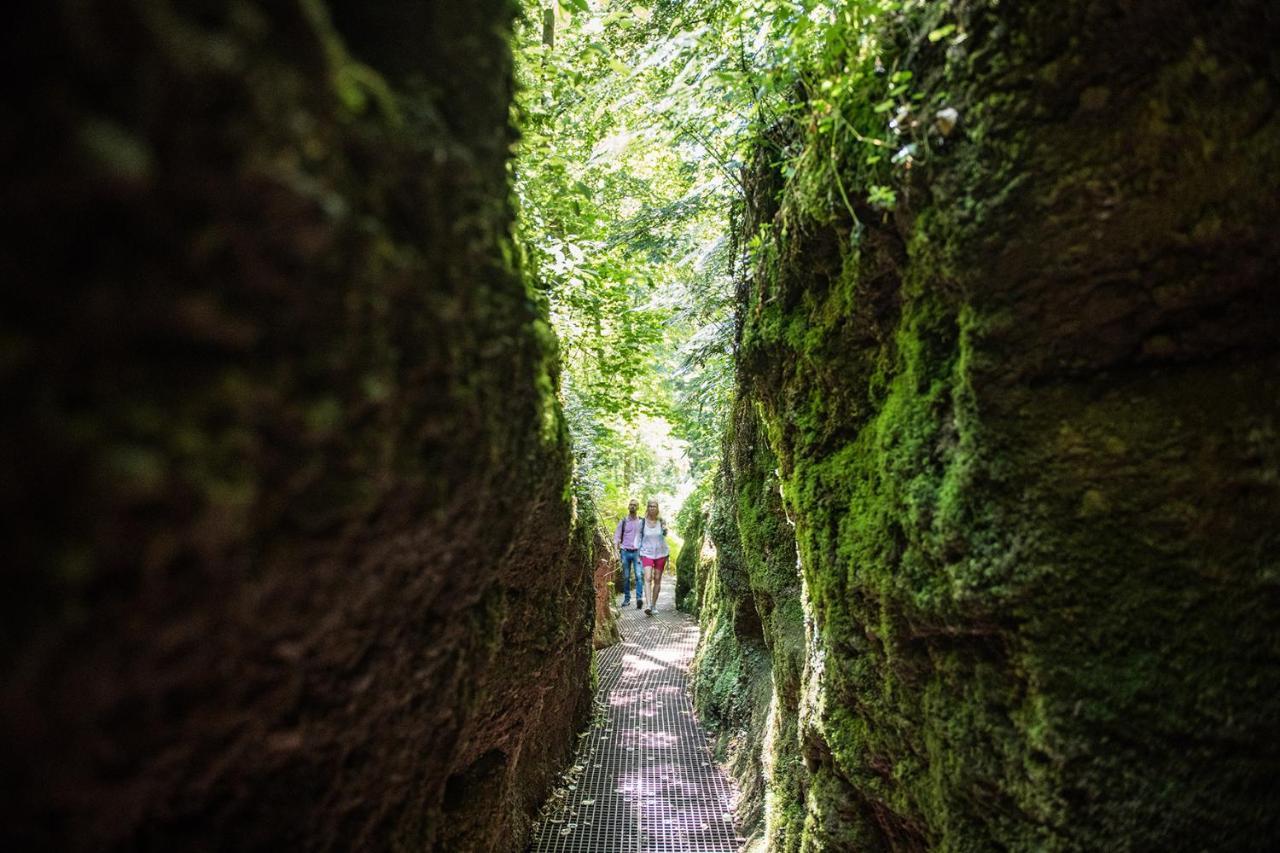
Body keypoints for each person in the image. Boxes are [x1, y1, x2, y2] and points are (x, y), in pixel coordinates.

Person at [638, 499, 670, 616]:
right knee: (647, 577)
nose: (652, 508)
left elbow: (665, 534)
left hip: (661, 553)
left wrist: (665, 529)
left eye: (654, 506)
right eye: (650, 506)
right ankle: (647, 605)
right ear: (647, 508)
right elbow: (638, 538)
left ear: (657, 508)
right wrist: (638, 554)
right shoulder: (642, 522)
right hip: (646, 553)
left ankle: (654, 605)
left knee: (657, 579)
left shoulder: (661, 521)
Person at [614, 499, 643, 609]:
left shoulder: (641, 522)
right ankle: (627, 599)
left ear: (638, 508)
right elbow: (616, 537)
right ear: (628, 507)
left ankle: (639, 599)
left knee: (639, 576)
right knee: (625, 577)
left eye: (635, 505)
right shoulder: (623, 521)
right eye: (631, 505)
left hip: (637, 553)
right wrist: (616, 552)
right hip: (625, 552)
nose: (632, 506)